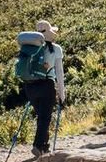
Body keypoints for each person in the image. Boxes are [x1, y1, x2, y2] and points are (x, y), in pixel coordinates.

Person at [14, 21, 67, 154]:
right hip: (46, 85)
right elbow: (59, 73)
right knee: (45, 117)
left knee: (41, 116)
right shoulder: (56, 49)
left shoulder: (31, 48)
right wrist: (62, 94)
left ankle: (44, 145)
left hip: (30, 86)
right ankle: (38, 145)